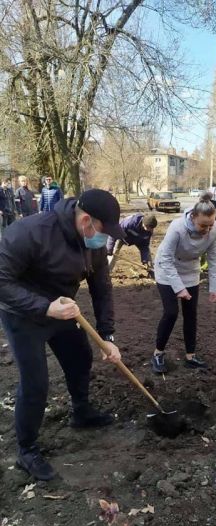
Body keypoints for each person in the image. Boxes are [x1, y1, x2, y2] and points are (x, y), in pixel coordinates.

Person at [0, 189, 125, 481]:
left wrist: (108, 334)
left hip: (63, 309)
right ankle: (27, 449)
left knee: (81, 356)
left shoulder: (91, 243)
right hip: (23, 315)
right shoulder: (30, 232)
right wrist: (44, 307)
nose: (103, 240)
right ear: (85, 220)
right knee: (36, 383)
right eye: (103, 231)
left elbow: (102, 287)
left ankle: (81, 412)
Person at [151, 194, 216, 374]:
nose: (207, 229)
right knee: (171, 312)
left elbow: (213, 258)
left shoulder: (214, 230)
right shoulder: (177, 228)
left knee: (191, 314)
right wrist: (178, 288)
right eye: (203, 225)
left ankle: (190, 356)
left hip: (190, 271)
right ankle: (158, 353)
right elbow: (165, 259)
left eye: (210, 224)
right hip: (167, 269)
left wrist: (215, 286)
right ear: (193, 217)